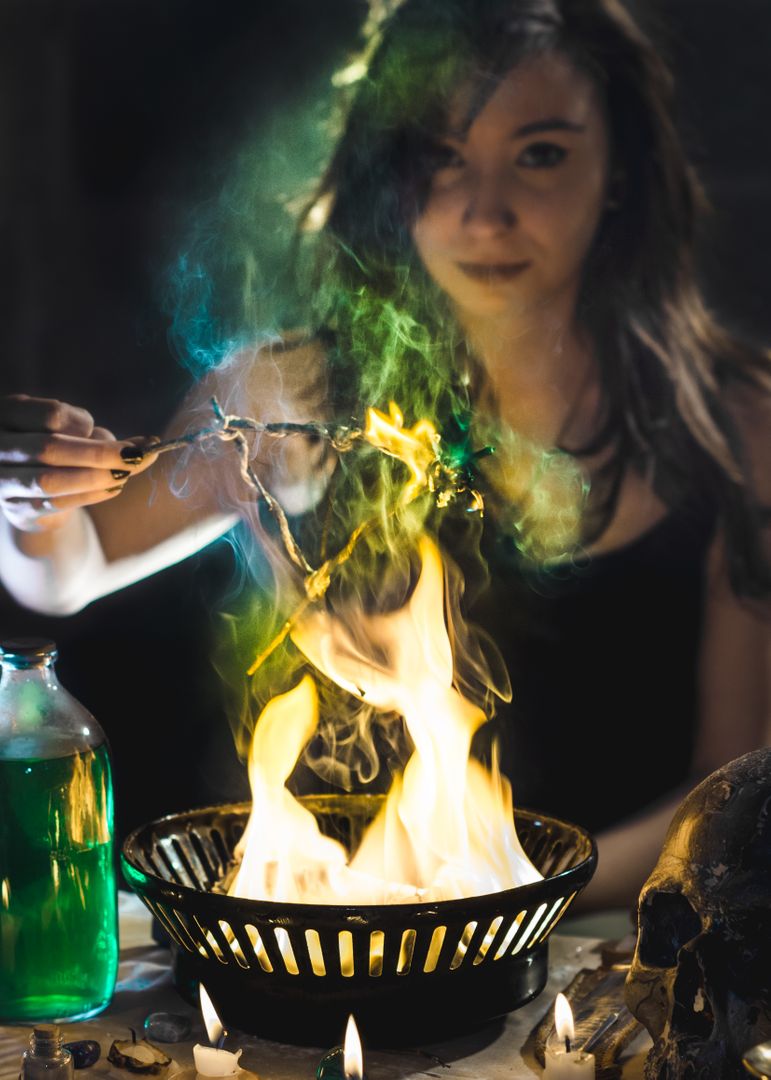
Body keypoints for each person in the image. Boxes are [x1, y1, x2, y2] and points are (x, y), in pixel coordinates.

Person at [0, 0, 768, 912]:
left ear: (620, 174)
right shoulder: (294, 399)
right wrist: (33, 504)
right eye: (440, 158)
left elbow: (730, 791)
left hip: (607, 951)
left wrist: (493, 899)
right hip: (330, 950)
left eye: (540, 154)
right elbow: (68, 573)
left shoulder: (736, 427)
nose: (484, 213)